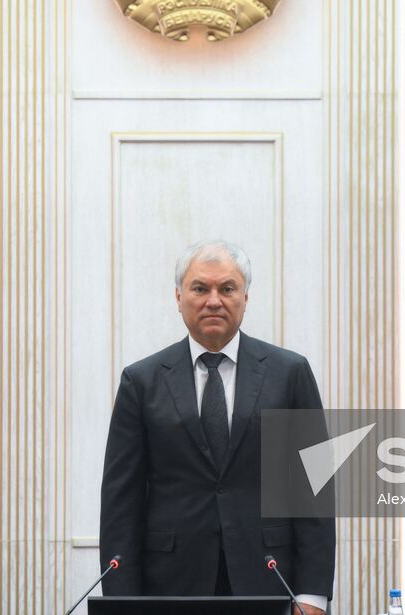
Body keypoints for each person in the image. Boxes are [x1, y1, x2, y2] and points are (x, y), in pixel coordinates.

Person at [99, 241, 334, 614]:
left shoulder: (289, 373)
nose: (213, 300)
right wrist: (121, 600)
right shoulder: (141, 382)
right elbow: (120, 504)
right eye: (199, 288)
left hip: (269, 580)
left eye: (227, 288)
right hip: (169, 585)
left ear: (245, 296)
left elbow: (313, 492)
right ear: (178, 297)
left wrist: (312, 595)